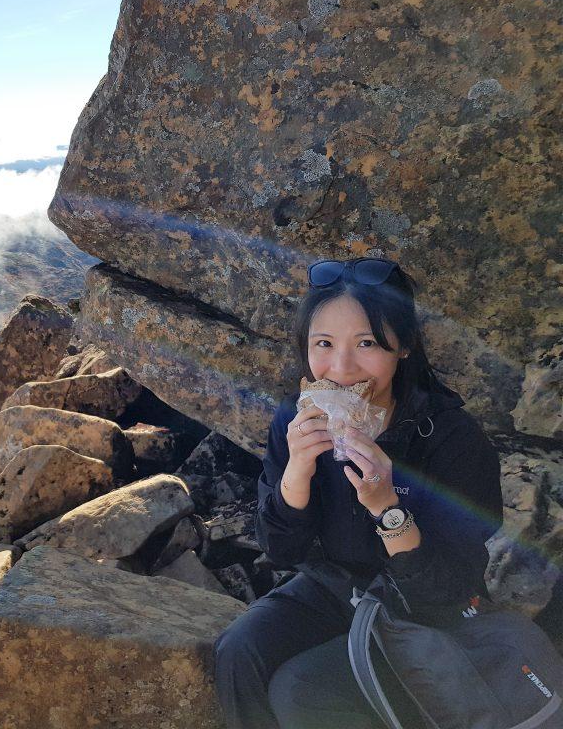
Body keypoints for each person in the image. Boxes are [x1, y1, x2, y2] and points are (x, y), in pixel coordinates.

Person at [213, 258, 504, 729]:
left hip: (423, 608)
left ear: (403, 346)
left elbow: (448, 588)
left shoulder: (451, 438)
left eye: (366, 343)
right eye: (323, 344)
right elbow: (281, 550)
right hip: (336, 586)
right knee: (238, 650)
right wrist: (298, 472)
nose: (342, 368)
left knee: (301, 691)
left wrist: (386, 506)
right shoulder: (296, 420)